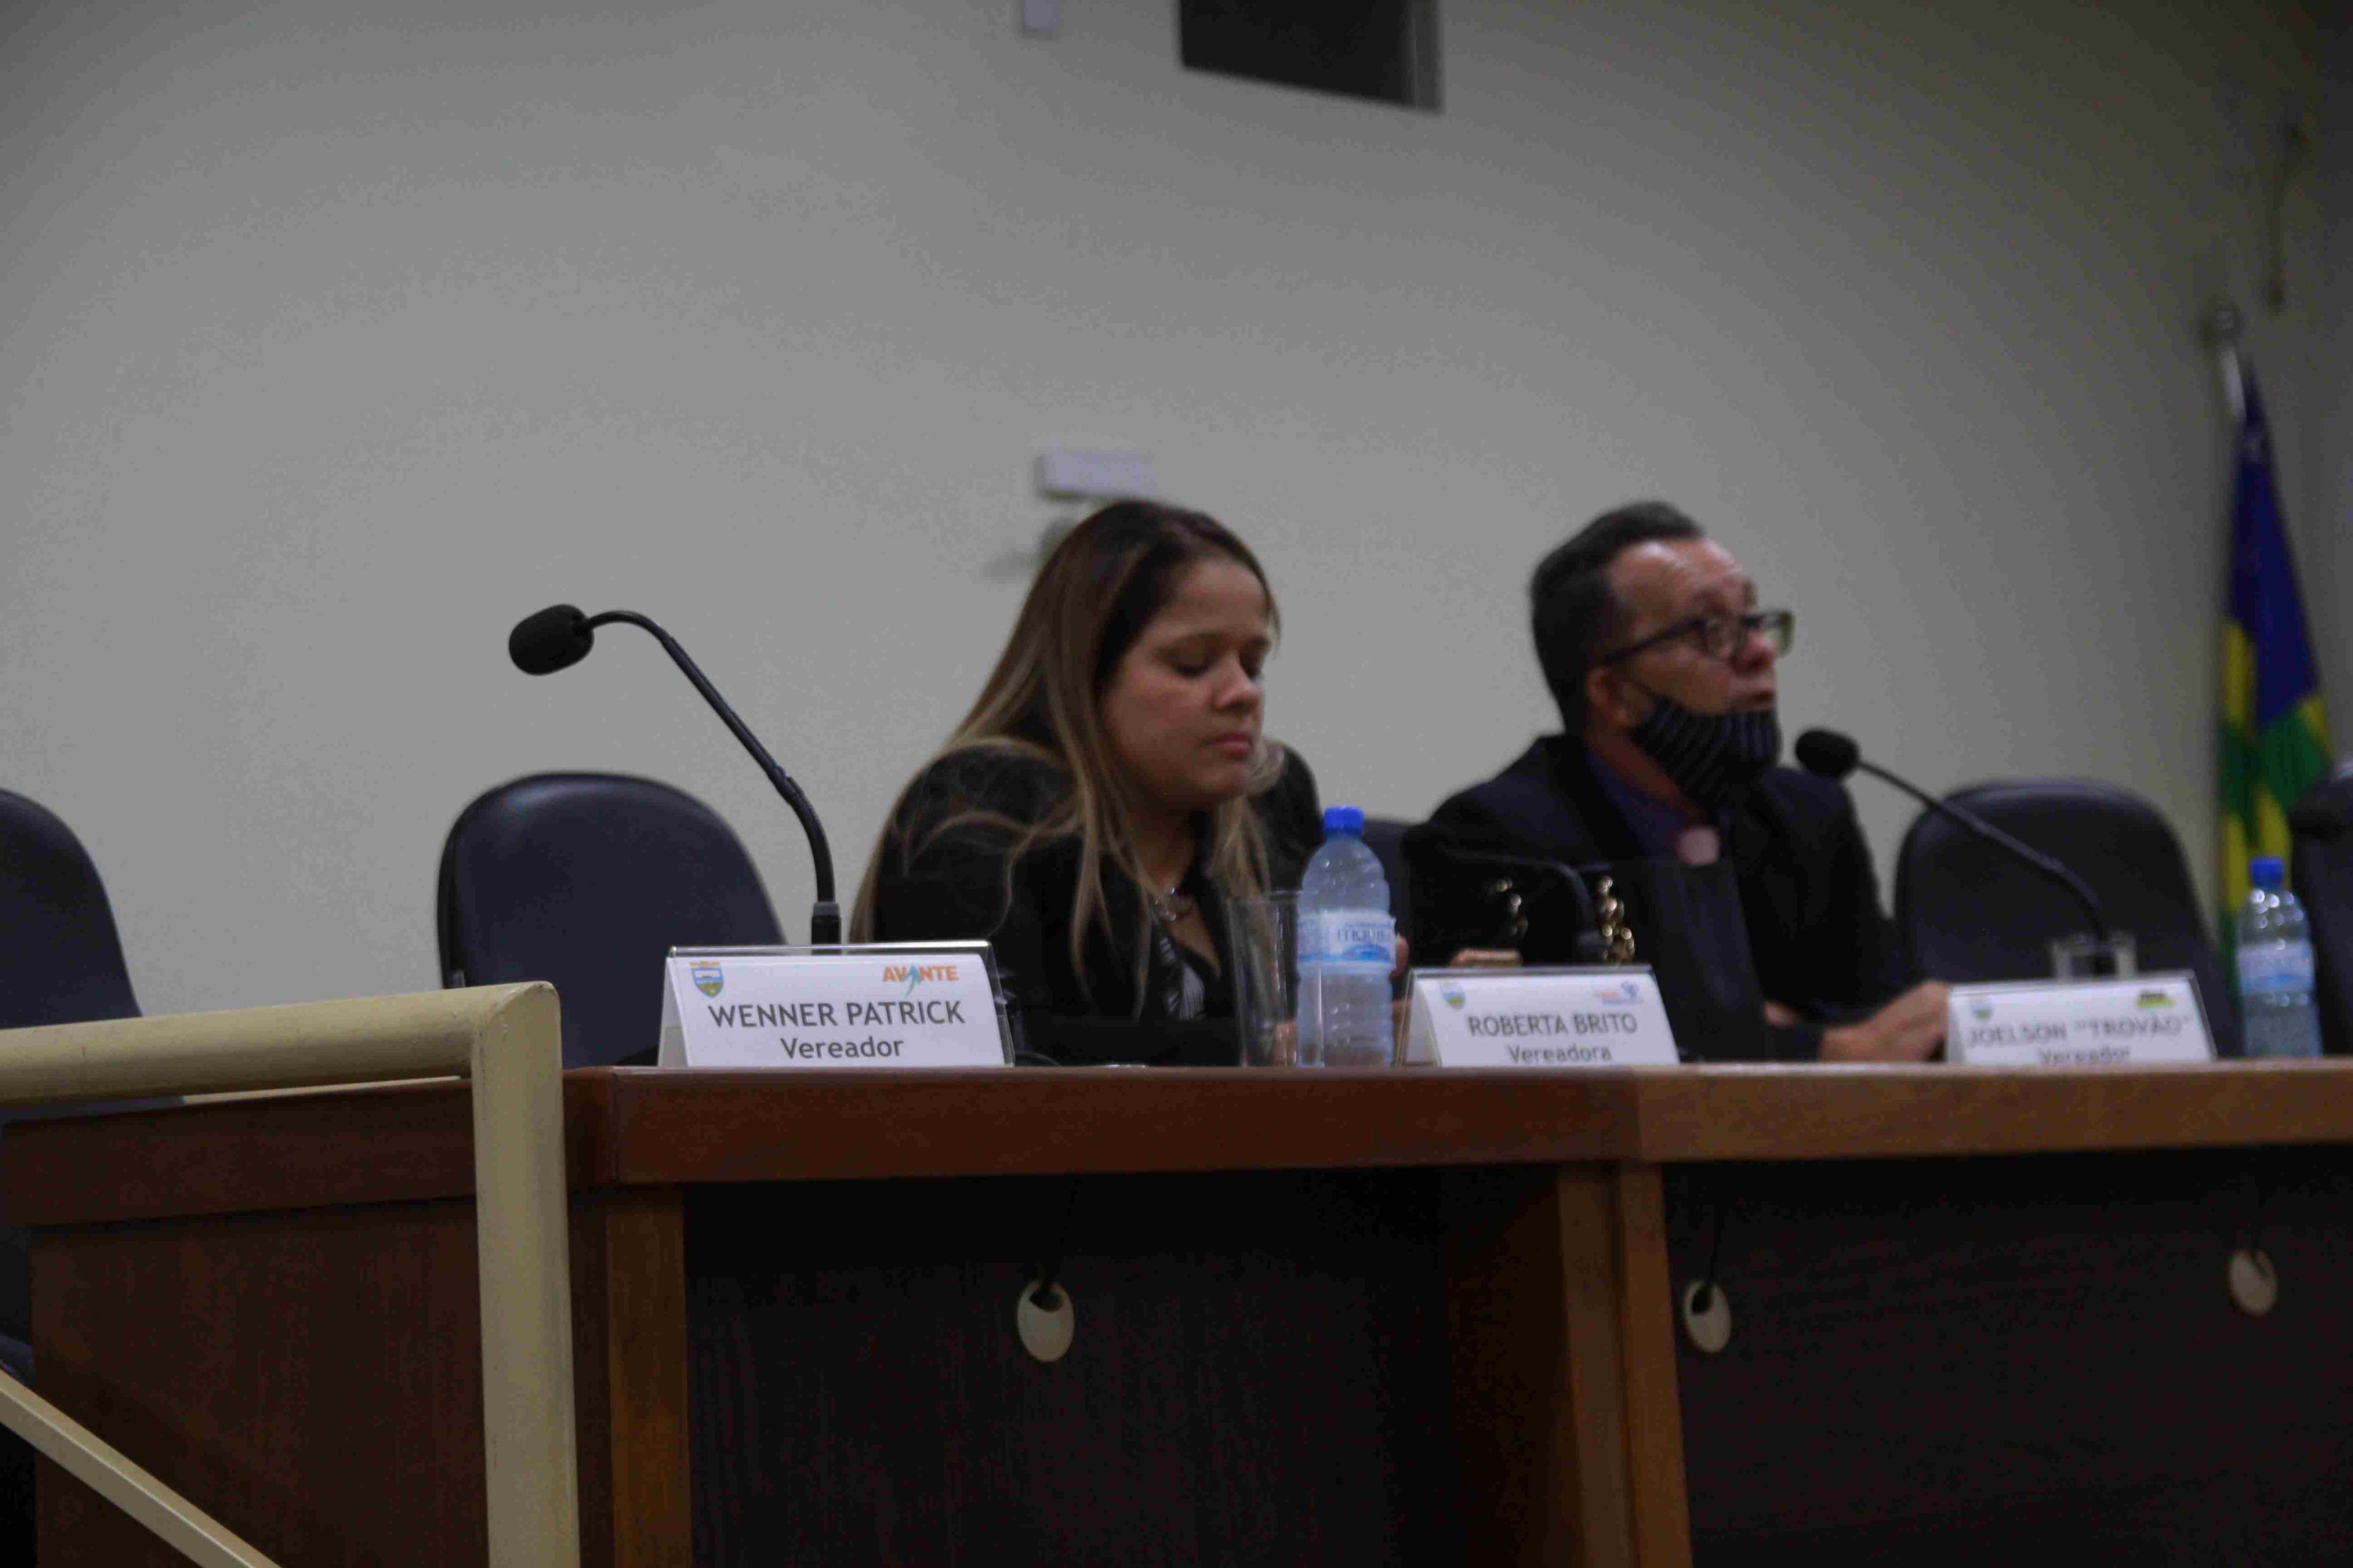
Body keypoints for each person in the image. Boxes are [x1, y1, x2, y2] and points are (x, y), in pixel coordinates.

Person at [1405, 501, 1948, 1062]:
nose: (1760, 651)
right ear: (1614, 693)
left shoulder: (1808, 814)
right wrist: (1816, 1045)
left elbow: (1892, 1015)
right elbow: (1537, 1044)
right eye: (1711, 631)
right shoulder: (1492, 840)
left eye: (1753, 620)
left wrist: (1770, 1031)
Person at [853, 500, 1322, 1064]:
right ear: (1084, 675)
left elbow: (1316, 1029)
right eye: (1192, 663)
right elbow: (1002, 1052)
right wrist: (1262, 1048)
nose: (1243, 692)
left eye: (1253, 664)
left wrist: (1368, 1004)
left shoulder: (1270, 799)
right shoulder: (977, 807)